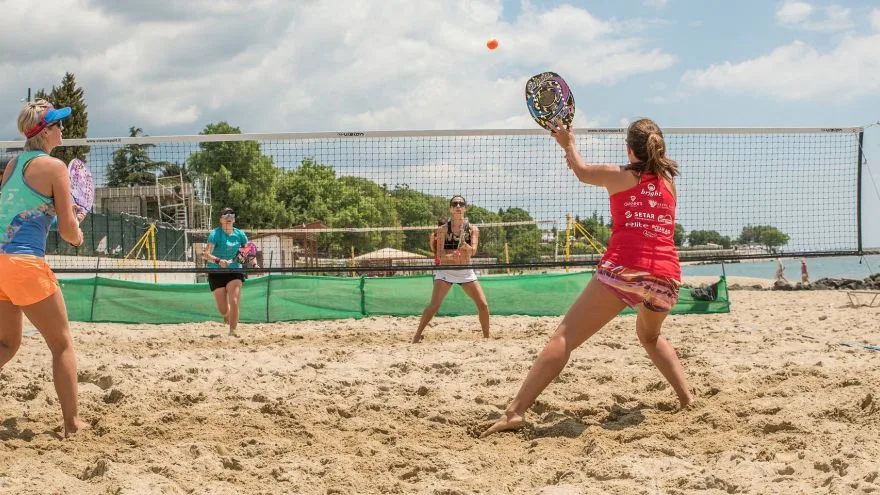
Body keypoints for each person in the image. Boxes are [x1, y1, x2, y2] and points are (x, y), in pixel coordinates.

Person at [481, 118, 693, 437]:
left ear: (629, 150)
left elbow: (580, 171)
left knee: (563, 338)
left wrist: (568, 143)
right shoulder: (669, 182)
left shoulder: (619, 175)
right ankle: (687, 399)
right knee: (650, 337)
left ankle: (515, 413)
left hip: (625, 269)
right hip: (667, 277)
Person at [0, 99, 88, 438]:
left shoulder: (12, 165)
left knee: (6, 345)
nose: (63, 129)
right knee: (61, 344)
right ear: (46, 131)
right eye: (58, 124)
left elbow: (26, 206)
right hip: (25, 263)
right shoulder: (54, 167)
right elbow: (68, 231)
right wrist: (77, 232)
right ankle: (72, 425)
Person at [411, 196, 489, 343]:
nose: (458, 206)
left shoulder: (472, 229)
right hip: (446, 271)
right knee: (434, 306)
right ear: (450, 209)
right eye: (455, 204)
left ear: (465, 208)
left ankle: (486, 338)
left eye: (461, 204)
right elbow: (440, 256)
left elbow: (473, 252)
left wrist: (465, 246)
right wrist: (453, 255)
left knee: (483, 305)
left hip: (466, 271)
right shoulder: (442, 230)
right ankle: (417, 335)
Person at [203, 207, 258, 337]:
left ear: (234, 219)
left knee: (234, 300)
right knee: (223, 310)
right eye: (225, 215)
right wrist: (218, 261)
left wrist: (255, 264)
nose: (228, 217)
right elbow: (206, 254)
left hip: (234, 271)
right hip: (216, 272)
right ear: (221, 219)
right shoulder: (215, 234)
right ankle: (226, 315)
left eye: (231, 215)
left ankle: (233, 331)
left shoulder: (240, 234)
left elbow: (249, 251)